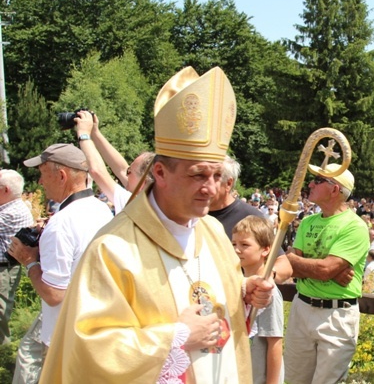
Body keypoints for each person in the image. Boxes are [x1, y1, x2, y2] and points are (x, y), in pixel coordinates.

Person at [39, 66, 273, 383]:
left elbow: (207, 298)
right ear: (160, 173)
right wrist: (175, 337)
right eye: (198, 175)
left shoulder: (214, 232)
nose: (211, 188)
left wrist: (244, 291)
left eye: (217, 176)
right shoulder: (113, 250)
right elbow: (90, 349)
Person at [9, 144, 113, 383]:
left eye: (43, 174)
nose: (40, 182)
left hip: (63, 337)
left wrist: (29, 261)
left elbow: (55, 295)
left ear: (62, 175)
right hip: (95, 328)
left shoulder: (61, 224)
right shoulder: (101, 210)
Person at [284, 162, 369, 384]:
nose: (310, 183)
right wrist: (322, 268)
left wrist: (301, 262)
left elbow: (323, 269)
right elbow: (296, 264)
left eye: (319, 180)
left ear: (335, 189)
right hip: (302, 309)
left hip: (336, 316)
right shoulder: (308, 221)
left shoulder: (355, 226)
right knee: (294, 380)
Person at [208, 155, 292, 284]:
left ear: (228, 184)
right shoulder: (187, 214)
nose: (202, 185)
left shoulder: (250, 216)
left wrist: (264, 278)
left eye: (211, 178)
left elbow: (284, 266)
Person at [231, 216, 284, 384]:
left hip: (258, 377)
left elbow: (274, 342)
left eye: (244, 245)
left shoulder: (267, 292)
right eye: (234, 244)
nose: (237, 250)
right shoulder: (235, 284)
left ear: (265, 250)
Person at [74, 110, 154, 214]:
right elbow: (121, 169)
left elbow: (97, 171)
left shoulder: (136, 204)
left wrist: (83, 134)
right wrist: (95, 132)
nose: (126, 174)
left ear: (142, 183)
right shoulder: (155, 202)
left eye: (129, 172)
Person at [0, 170, 35, 344]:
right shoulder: (9, 207)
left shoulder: (10, 213)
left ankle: (4, 360)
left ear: (5, 189)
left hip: (3, 271)